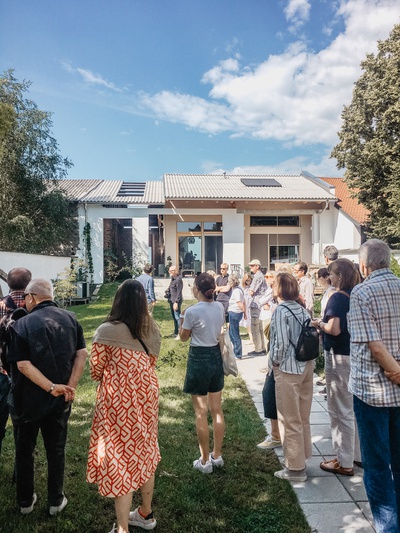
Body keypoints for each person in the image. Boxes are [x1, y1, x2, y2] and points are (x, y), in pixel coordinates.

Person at [7, 279, 87, 515]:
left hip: (27, 400)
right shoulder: (71, 318)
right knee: (56, 449)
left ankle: (25, 502)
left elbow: (22, 365)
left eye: (26, 298)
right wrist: (70, 386)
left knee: (24, 450)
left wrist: (52, 387)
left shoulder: (21, 324)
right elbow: (82, 353)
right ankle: (55, 500)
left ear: (32, 297)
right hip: (60, 400)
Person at [87, 280, 161, 533]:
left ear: (118, 300)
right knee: (145, 450)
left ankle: (122, 528)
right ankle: (145, 513)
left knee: (120, 457)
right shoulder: (152, 329)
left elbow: (95, 371)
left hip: (118, 401)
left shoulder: (106, 330)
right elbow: (151, 362)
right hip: (146, 395)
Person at [347, 239, 400, 533]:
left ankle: (389, 528)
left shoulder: (362, 291)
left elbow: (375, 346)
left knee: (378, 467)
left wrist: (397, 372)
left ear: (363, 266)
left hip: (373, 393)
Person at [311, 259, 361, 477]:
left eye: (331, 274)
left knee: (339, 409)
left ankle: (344, 460)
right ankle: (356, 455)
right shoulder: (358, 293)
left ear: (339, 276)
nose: (329, 278)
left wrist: (319, 324)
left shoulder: (338, 297)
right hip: (354, 354)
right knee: (353, 407)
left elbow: (334, 329)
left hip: (338, 355)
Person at [270, 273, 314, 482]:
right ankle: (301, 457)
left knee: (289, 418)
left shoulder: (281, 310)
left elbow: (280, 342)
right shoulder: (301, 308)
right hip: (306, 364)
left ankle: (295, 469)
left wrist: (275, 362)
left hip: (288, 368)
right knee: (302, 416)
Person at [179, 273, 225, 474]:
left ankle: (205, 461)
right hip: (215, 356)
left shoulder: (191, 311)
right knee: (217, 409)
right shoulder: (219, 307)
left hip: (199, 357)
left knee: (201, 412)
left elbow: (183, 337)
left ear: (196, 288)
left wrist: (182, 318)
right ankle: (217, 455)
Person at [0, 267, 32, 455]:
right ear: (28, 283)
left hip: (2, 371)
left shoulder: (1, 305)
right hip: (29, 372)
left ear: (9, 283)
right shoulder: (34, 306)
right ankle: (22, 463)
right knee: (26, 424)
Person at [248, 259, 267, 356]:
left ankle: (258, 349)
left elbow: (251, 291)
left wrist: (248, 290)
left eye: (252, 265)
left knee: (255, 327)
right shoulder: (261, 276)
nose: (250, 267)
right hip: (260, 304)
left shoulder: (257, 277)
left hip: (256, 304)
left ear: (257, 266)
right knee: (259, 327)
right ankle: (262, 347)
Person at [227, 273, 246, 359]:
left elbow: (240, 303)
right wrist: (244, 313)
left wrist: (243, 311)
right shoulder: (238, 289)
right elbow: (244, 301)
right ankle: (235, 350)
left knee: (235, 334)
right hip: (235, 312)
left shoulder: (236, 291)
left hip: (235, 312)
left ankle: (238, 353)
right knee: (230, 333)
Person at [167, 265, 183, 339]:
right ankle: (176, 332)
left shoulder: (178, 280)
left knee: (177, 317)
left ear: (176, 271)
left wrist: (176, 302)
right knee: (174, 317)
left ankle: (180, 333)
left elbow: (179, 292)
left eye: (171, 271)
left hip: (176, 301)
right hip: (171, 300)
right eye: (169, 270)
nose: (169, 272)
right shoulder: (172, 279)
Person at [239, 273, 253, 342]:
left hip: (249, 305)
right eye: (247, 280)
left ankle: (251, 338)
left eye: (249, 280)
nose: (248, 282)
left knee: (249, 322)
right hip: (244, 304)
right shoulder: (242, 288)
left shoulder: (251, 287)